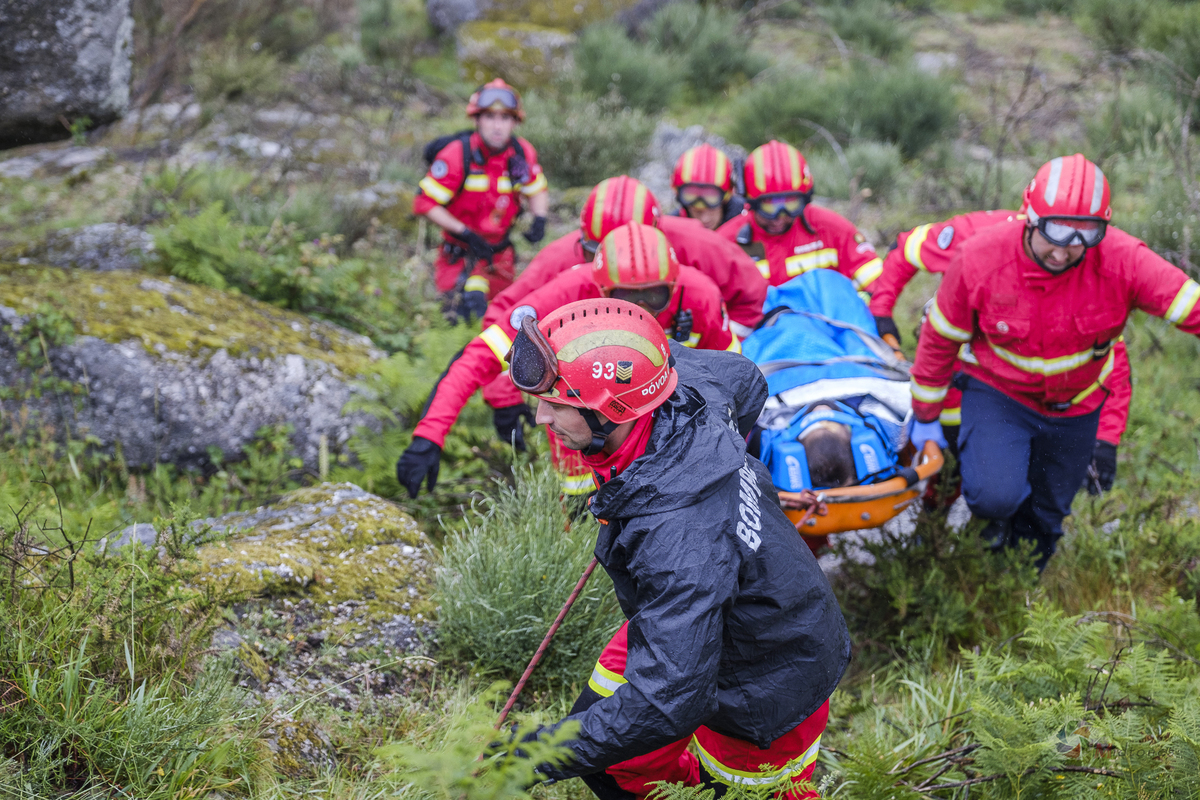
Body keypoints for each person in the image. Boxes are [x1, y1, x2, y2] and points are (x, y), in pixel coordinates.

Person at [505, 297, 850, 800]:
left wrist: (534, 757)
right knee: (608, 758)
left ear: (616, 410)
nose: (540, 418)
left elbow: (667, 699)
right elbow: (745, 377)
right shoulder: (687, 383)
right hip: (684, 619)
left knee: (723, 790)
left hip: (767, 676)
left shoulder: (678, 536)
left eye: (556, 404)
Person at [908, 153, 1200, 570]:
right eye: (1057, 231)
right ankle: (984, 537)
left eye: (1086, 235)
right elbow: (939, 339)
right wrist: (925, 415)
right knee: (994, 495)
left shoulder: (1123, 259)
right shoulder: (980, 259)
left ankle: (1016, 589)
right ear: (1029, 216)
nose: (1067, 249)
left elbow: (1191, 305)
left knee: (1047, 515)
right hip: (999, 396)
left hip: (1076, 406)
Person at [395, 222, 741, 499]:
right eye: (625, 296)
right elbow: (479, 358)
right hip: (582, 435)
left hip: (668, 429)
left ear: (672, 284)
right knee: (581, 502)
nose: (640, 307)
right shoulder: (567, 293)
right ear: (601, 289)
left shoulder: (700, 296)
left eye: (654, 295)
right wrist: (430, 435)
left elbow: (730, 381)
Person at [871, 210, 1131, 490]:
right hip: (957, 374)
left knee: (1022, 481)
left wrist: (1106, 439)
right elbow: (908, 248)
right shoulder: (973, 237)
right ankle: (937, 520)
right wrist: (881, 310)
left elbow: (1111, 361)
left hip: (1026, 395)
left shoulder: (1082, 269)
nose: (1055, 259)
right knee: (951, 464)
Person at [492, 176, 767, 337]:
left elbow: (751, 293)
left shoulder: (696, 244)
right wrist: (508, 392)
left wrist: (706, 334)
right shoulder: (562, 257)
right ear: (585, 238)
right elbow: (506, 315)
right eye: (598, 253)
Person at [413, 79, 549, 321]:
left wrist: (540, 219)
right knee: (456, 319)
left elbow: (536, 189)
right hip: (459, 254)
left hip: (499, 258)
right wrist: (464, 232)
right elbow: (424, 203)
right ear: (476, 119)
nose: (497, 126)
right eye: (490, 117)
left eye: (505, 118)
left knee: (502, 322)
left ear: (515, 121)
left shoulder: (520, 154)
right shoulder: (457, 154)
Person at [717, 140, 882, 293]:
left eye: (790, 205)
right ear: (750, 202)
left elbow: (876, 283)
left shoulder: (831, 229)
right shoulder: (726, 242)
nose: (779, 217)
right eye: (768, 207)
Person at [669, 144, 745, 231]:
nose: (704, 219)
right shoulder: (672, 227)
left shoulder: (745, 220)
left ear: (726, 198)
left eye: (712, 209)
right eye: (697, 210)